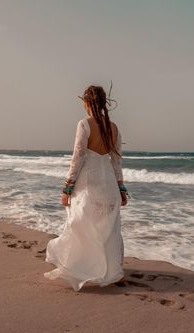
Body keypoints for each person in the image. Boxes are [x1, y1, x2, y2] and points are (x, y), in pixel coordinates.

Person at [43, 85, 128, 291]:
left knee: (82, 223)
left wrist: (68, 188)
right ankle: (111, 271)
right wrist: (121, 188)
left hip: (88, 183)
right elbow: (117, 162)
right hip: (108, 183)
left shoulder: (84, 124)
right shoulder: (114, 128)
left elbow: (78, 156)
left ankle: (86, 269)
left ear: (87, 102)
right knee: (107, 228)